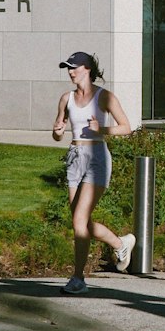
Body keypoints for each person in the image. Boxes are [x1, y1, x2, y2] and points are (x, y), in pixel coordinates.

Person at [52, 50, 136, 294]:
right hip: (74, 158)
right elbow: (58, 133)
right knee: (81, 222)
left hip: (97, 158)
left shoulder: (104, 97)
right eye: (68, 68)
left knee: (79, 221)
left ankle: (78, 279)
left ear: (87, 69)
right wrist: (58, 130)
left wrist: (102, 130)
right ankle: (120, 243)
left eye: (74, 67)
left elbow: (126, 128)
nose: (70, 71)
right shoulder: (65, 98)